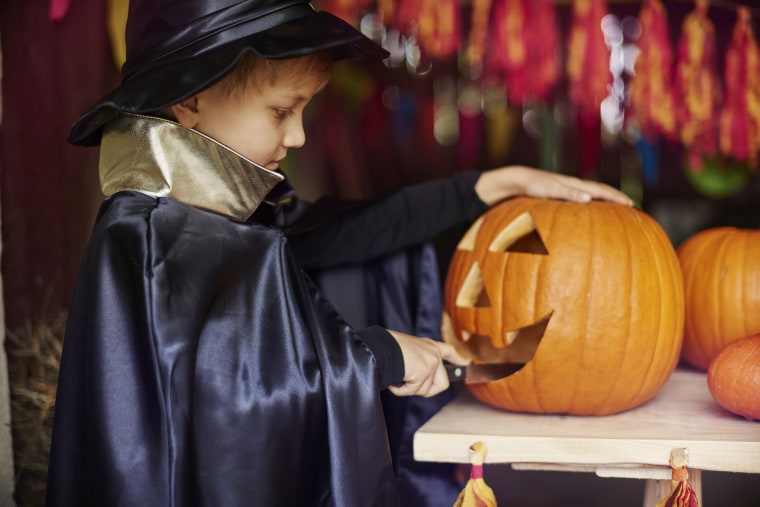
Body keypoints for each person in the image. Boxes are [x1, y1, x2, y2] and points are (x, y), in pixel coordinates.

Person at [46, 0, 633, 505]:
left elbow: (339, 236)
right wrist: (375, 356)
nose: (298, 136)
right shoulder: (144, 240)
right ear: (189, 101)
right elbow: (224, 412)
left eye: (303, 111)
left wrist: (487, 187)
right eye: (281, 111)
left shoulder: (230, 211)